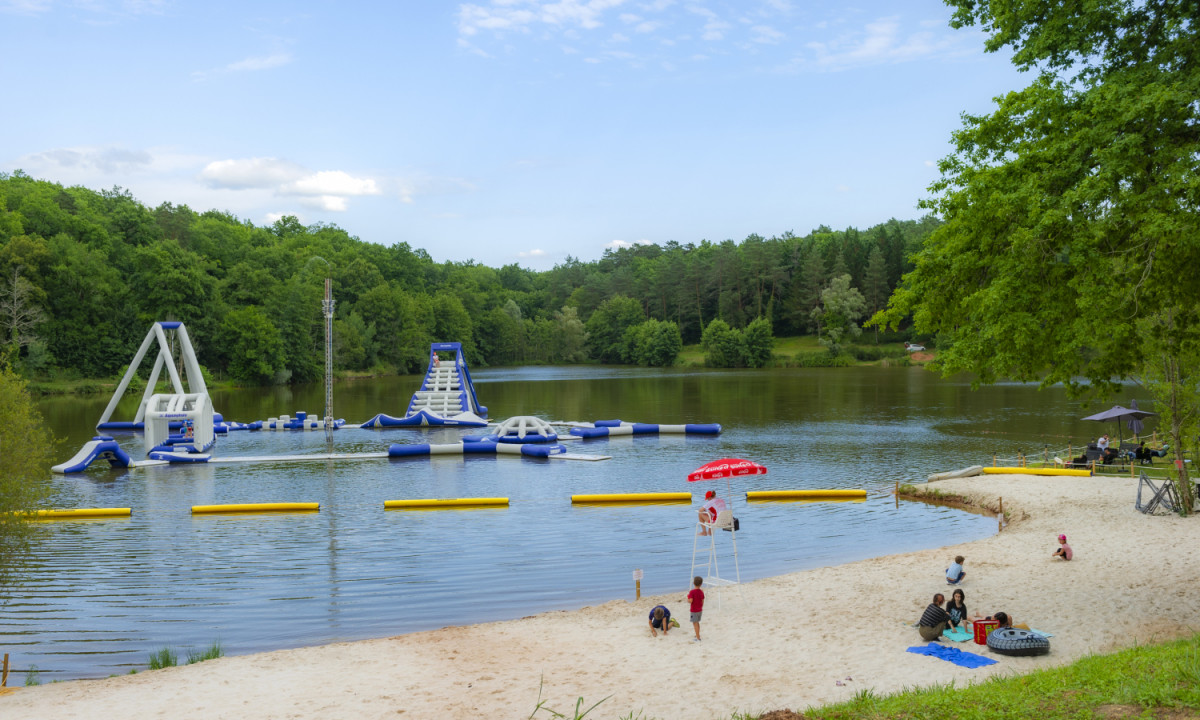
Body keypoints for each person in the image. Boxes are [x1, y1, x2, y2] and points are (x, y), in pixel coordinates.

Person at [686, 576, 704, 642]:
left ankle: (698, 638)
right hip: (700, 610)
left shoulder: (692, 592)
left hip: (694, 610)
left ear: (693, 583)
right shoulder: (701, 592)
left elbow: (690, 601)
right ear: (701, 584)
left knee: (695, 623)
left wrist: (688, 598)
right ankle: (697, 634)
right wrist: (701, 607)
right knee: (697, 622)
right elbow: (702, 601)